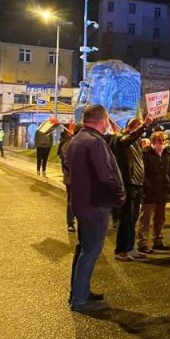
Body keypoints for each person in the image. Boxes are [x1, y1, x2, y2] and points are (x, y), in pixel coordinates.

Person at [66, 105, 126, 313]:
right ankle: (80, 300)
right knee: (90, 252)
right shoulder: (94, 142)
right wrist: (119, 193)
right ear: (103, 119)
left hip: (83, 203)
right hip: (95, 204)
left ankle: (79, 292)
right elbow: (105, 174)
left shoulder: (78, 139)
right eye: (108, 119)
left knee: (82, 249)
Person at [111, 116, 153, 261]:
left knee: (133, 219)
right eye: (140, 128)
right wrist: (144, 126)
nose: (142, 133)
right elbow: (128, 139)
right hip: (128, 184)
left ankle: (130, 247)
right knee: (126, 218)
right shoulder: (121, 139)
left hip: (137, 184)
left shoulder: (135, 143)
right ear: (134, 127)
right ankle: (120, 250)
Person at [137, 131, 170, 253]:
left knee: (160, 218)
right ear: (153, 141)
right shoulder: (145, 153)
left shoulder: (166, 153)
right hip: (149, 192)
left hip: (162, 190)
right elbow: (143, 173)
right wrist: (148, 186)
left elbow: (169, 171)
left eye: (164, 140)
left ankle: (158, 241)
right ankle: (142, 243)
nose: (162, 143)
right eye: (160, 140)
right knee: (145, 219)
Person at [58, 126, 78, 232]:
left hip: (81, 179)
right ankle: (70, 222)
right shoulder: (68, 144)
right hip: (71, 178)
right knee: (71, 200)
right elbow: (66, 160)